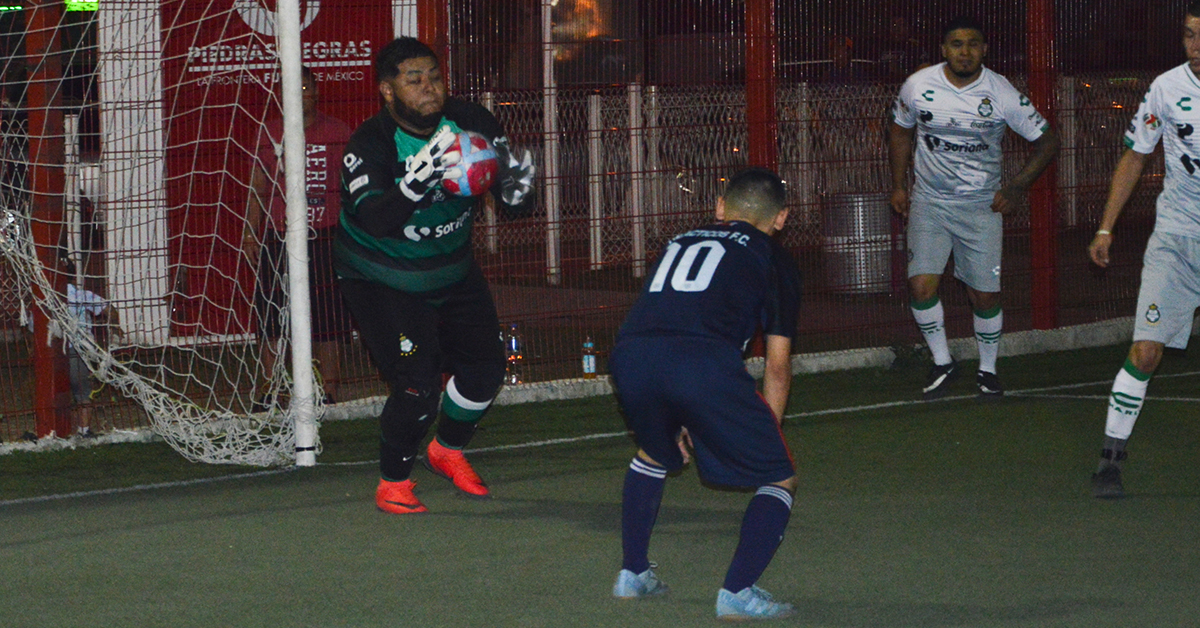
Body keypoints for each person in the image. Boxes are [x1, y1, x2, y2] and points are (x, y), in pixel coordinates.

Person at [337, 37, 535, 514]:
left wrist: (519, 190)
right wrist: (412, 183)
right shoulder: (370, 144)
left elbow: (515, 205)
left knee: (486, 370)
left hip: (451, 270)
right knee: (416, 384)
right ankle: (393, 482)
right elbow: (376, 220)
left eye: (434, 76)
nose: (429, 88)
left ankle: (446, 450)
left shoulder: (473, 123)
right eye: (414, 79)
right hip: (381, 278)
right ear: (388, 91)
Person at [609, 168, 801, 620]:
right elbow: (776, 365)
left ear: (719, 207)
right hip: (699, 362)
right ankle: (737, 593)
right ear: (780, 219)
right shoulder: (773, 257)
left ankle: (632, 574)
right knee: (779, 475)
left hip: (630, 355)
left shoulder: (680, 239)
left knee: (654, 452)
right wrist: (764, 437)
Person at [888, 16, 1059, 400]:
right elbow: (900, 128)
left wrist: (1016, 187)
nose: (964, 51)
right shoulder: (918, 85)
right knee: (920, 285)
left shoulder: (1001, 92)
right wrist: (899, 185)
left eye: (972, 44)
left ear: (984, 49)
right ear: (943, 49)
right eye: (956, 43)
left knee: (984, 296)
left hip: (981, 207)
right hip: (929, 202)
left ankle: (987, 368)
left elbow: (1048, 140)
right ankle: (943, 362)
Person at [1086, 2, 1200, 499]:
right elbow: (1136, 157)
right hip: (1176, 238)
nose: (1197, 46)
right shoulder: (1166, 87)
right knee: (1145, 350)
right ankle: (1110, 460)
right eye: (1191, 35)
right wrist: (1106, 228)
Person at [246, 66, 354, 408]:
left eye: (306, 86)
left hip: (325, 237)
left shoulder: (338, 131)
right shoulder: (269, 132)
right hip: (278, 237)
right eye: (293, 87)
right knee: (271, 320)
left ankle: (328, 390)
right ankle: (272, 389)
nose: (300, 93)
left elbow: (354, 187)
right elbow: (256, 188)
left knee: (327, 319)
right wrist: (251, 235)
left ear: (316, 91)